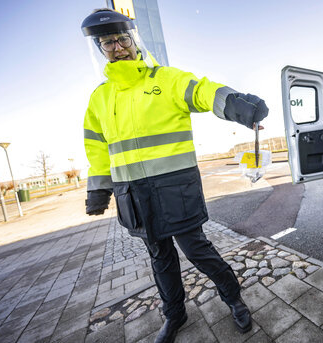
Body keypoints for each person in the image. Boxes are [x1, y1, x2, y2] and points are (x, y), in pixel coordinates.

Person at [81, 8, 268, 343]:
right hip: (134, 197)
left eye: (122, 38)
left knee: (197, 251)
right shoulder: (99, 98)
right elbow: (96, 147)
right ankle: (175, 315)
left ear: (133, 40)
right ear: (101, 50)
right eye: (108, 42)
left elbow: (202, 91)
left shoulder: (165, 79)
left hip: (173, 189)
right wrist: (99, 189)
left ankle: (234, 300)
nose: (118, 47)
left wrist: (237, 105)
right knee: (160, 260)